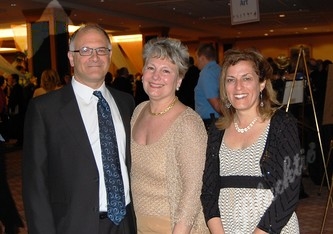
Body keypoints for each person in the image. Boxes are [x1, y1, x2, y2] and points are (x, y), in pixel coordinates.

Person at [22, 24, 137, 234]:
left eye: (101, 50)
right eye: (85, 50)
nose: (95, 57)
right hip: (74, 225)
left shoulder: (125, 102)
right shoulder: (45, 109)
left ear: (109, 55)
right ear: (71, 58)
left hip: (125, 223)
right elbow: (35, 186)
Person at [201, 49, 302, 234]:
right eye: (230, 80)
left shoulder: (281, 123)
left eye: (246, 78)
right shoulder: (217, 130)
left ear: (262, 83)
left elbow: (289, 189)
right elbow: (208, 192)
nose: (238, 87)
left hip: (273, 228)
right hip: (227, 227)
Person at [130, 37, 209, 233]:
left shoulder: (188, 123)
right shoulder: (138, 111)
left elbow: (193, 190)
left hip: (176, 227)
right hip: (137, 225)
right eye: (151, 68)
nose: (156, 76)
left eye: (166, 71)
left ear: (179, 80)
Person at [194, 43, 222, 130]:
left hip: (210, 122)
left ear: (202, 58)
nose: (196, 62)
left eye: (197, 58)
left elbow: (216, 104)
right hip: (218, 120)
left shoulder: (206, 73)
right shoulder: (220, 69)